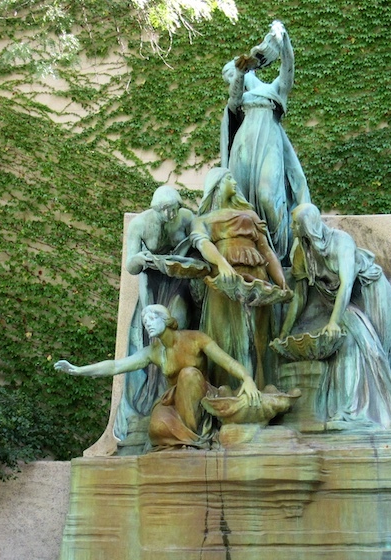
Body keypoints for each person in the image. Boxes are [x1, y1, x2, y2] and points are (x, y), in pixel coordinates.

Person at [278, 204, 391, 431]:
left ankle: (387, 415)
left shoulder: (341, 241)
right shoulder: (302, 252)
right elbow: (299, 297)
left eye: (295, 222)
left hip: (369, 292)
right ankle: (351, 409)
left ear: (307, 225)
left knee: (379, 349)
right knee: (350, 339)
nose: (292, 226)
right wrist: (284, 331)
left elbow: (346, 283)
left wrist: (333, 321)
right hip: (336, 300)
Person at [55, 305, 261, 450]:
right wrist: (79, 370)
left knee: (188, 374)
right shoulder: (154, 352)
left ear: (167, 320)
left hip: (200, 398)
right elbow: (116, 365)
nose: (148, 325)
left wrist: (247, 379)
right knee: (155, 428)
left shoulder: (195, 339)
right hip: (173, 402)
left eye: (152, 319)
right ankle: (185, 442)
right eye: (145, 322)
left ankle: (195, 441)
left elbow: (227, 361)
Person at [221, 20, 310, 263]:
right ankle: (253, 251)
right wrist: (239, 73)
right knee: (242, 200)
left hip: (269, 140)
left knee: (267, 196)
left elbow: (288, 68)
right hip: (244, 144)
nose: (229, 79)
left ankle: (279, 254)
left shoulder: (275, 90)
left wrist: (284, 40)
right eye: (228, 77)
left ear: (252, 71)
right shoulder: (239, 97)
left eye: (230, 73)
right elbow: (234, 98)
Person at [191, 168, 288, 389]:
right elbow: (202, 244)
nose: (234, 183)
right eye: (228, 178)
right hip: (224, 280)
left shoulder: (250, 216)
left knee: (257, 336)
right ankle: (227, 388)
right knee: (224, 333)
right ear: (216, 185)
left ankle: (259, 387)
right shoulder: (202, 220)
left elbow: (266, 250)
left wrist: (279, 278)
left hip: (256, 278)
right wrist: (222, 263)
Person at [115, 186, 198, 441]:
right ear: (156, 208)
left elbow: (199, 243)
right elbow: (130, 265)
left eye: (173, 208)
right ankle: (153, 400)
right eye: (164, 210)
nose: (169, 214)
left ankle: (178, 396)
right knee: (143, 337)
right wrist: (142, 258)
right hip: (152, 284)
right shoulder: (141, 224)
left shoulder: (185, 217)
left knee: (176, 329)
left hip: (181, 281)